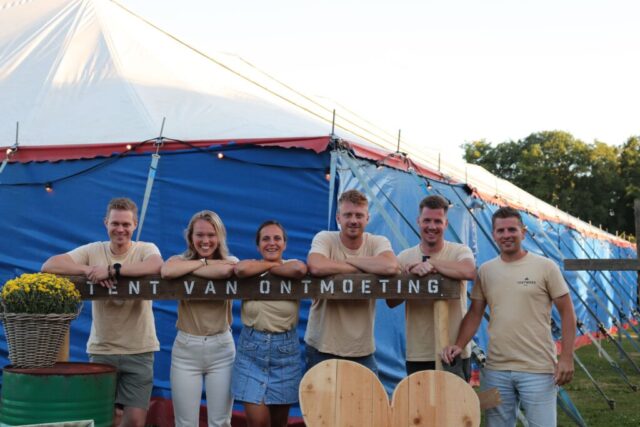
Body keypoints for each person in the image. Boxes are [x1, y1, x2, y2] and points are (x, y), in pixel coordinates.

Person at [442, 206, 576, 427]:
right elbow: (475, 313)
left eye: (512, 229)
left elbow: (567, 312)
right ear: (494, 234)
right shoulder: (486, 271)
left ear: (523, 232)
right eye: (501, 231)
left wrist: (567, 357)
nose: (506, 235)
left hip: (538, 369)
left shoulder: (545, 267)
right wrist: (459, 344)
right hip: (496, 370)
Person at [42, 197, 162, 427]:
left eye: (126, 224)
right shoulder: (94, 250)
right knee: (105, 418)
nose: (120, 229)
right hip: (102, 349)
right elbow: (50, 265)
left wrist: (112, 270)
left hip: (140, 349)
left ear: (135, 225)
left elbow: (156, 265)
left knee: (135, 421)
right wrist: (89, 270)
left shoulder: (145, 248)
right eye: (115, 223)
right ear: (106, 223)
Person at [305, 189, 399, 375]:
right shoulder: (325, 238)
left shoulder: (377, 242)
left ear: (367, 218)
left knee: (369, 396)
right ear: (338, 218)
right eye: (348, 215)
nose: (353, 220)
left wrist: (348, 261)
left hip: (362, 349)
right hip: (322, 346)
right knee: (318, 396)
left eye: (359, 215)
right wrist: (365, 267)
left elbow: (390, 266)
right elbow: (316, 266)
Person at [160, 210, 237, 427]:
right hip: (186, 348)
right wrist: (202, 263)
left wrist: (194, 267)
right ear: (190, 237)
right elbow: (167, 271)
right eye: (199, 235)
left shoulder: (230, 261)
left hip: (221, 348)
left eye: (211, 235)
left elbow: (225, 272)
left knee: (220, 421)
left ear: (219, 236)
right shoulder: (178, 260)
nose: (205, 240)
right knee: (185, 422)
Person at [387, 195, 476, 380]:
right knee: (419, 400)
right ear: (418, 221)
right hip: (419, 352)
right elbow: (391, 301)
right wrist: (411, 277)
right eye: (427, 220)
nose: (432, 226)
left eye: (437, 221)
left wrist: (432, 265)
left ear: (446, 224)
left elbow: (469, 271)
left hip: (454, 350)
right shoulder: (405, 257)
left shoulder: (459, 251)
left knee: (455, 399)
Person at [231, 220, 307, 427]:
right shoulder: (251, 266)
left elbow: (299, 269)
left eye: (277, 238)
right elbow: (240, 269)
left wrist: (276, 265)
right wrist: (272, 265)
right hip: (251, 349)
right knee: (258, 422)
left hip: (285, 351)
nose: (271, 243)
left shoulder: (291, 264)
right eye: (265, 239)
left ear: (285, 244)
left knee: (279, 423)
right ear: (258, 246)